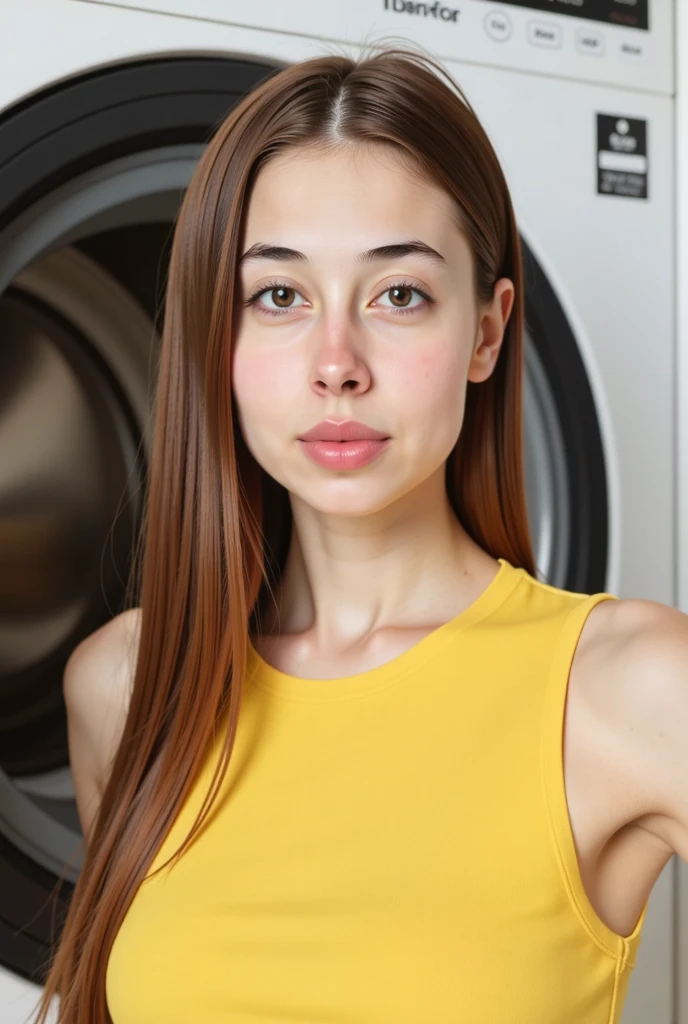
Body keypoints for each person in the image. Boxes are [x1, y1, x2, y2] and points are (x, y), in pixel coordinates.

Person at [32, 41, 688, 1024]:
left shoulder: (629, 684)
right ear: (218, 334)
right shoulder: (127, 688)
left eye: (399, 294)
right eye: (279, 296)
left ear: (485, 330)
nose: (335, 364)